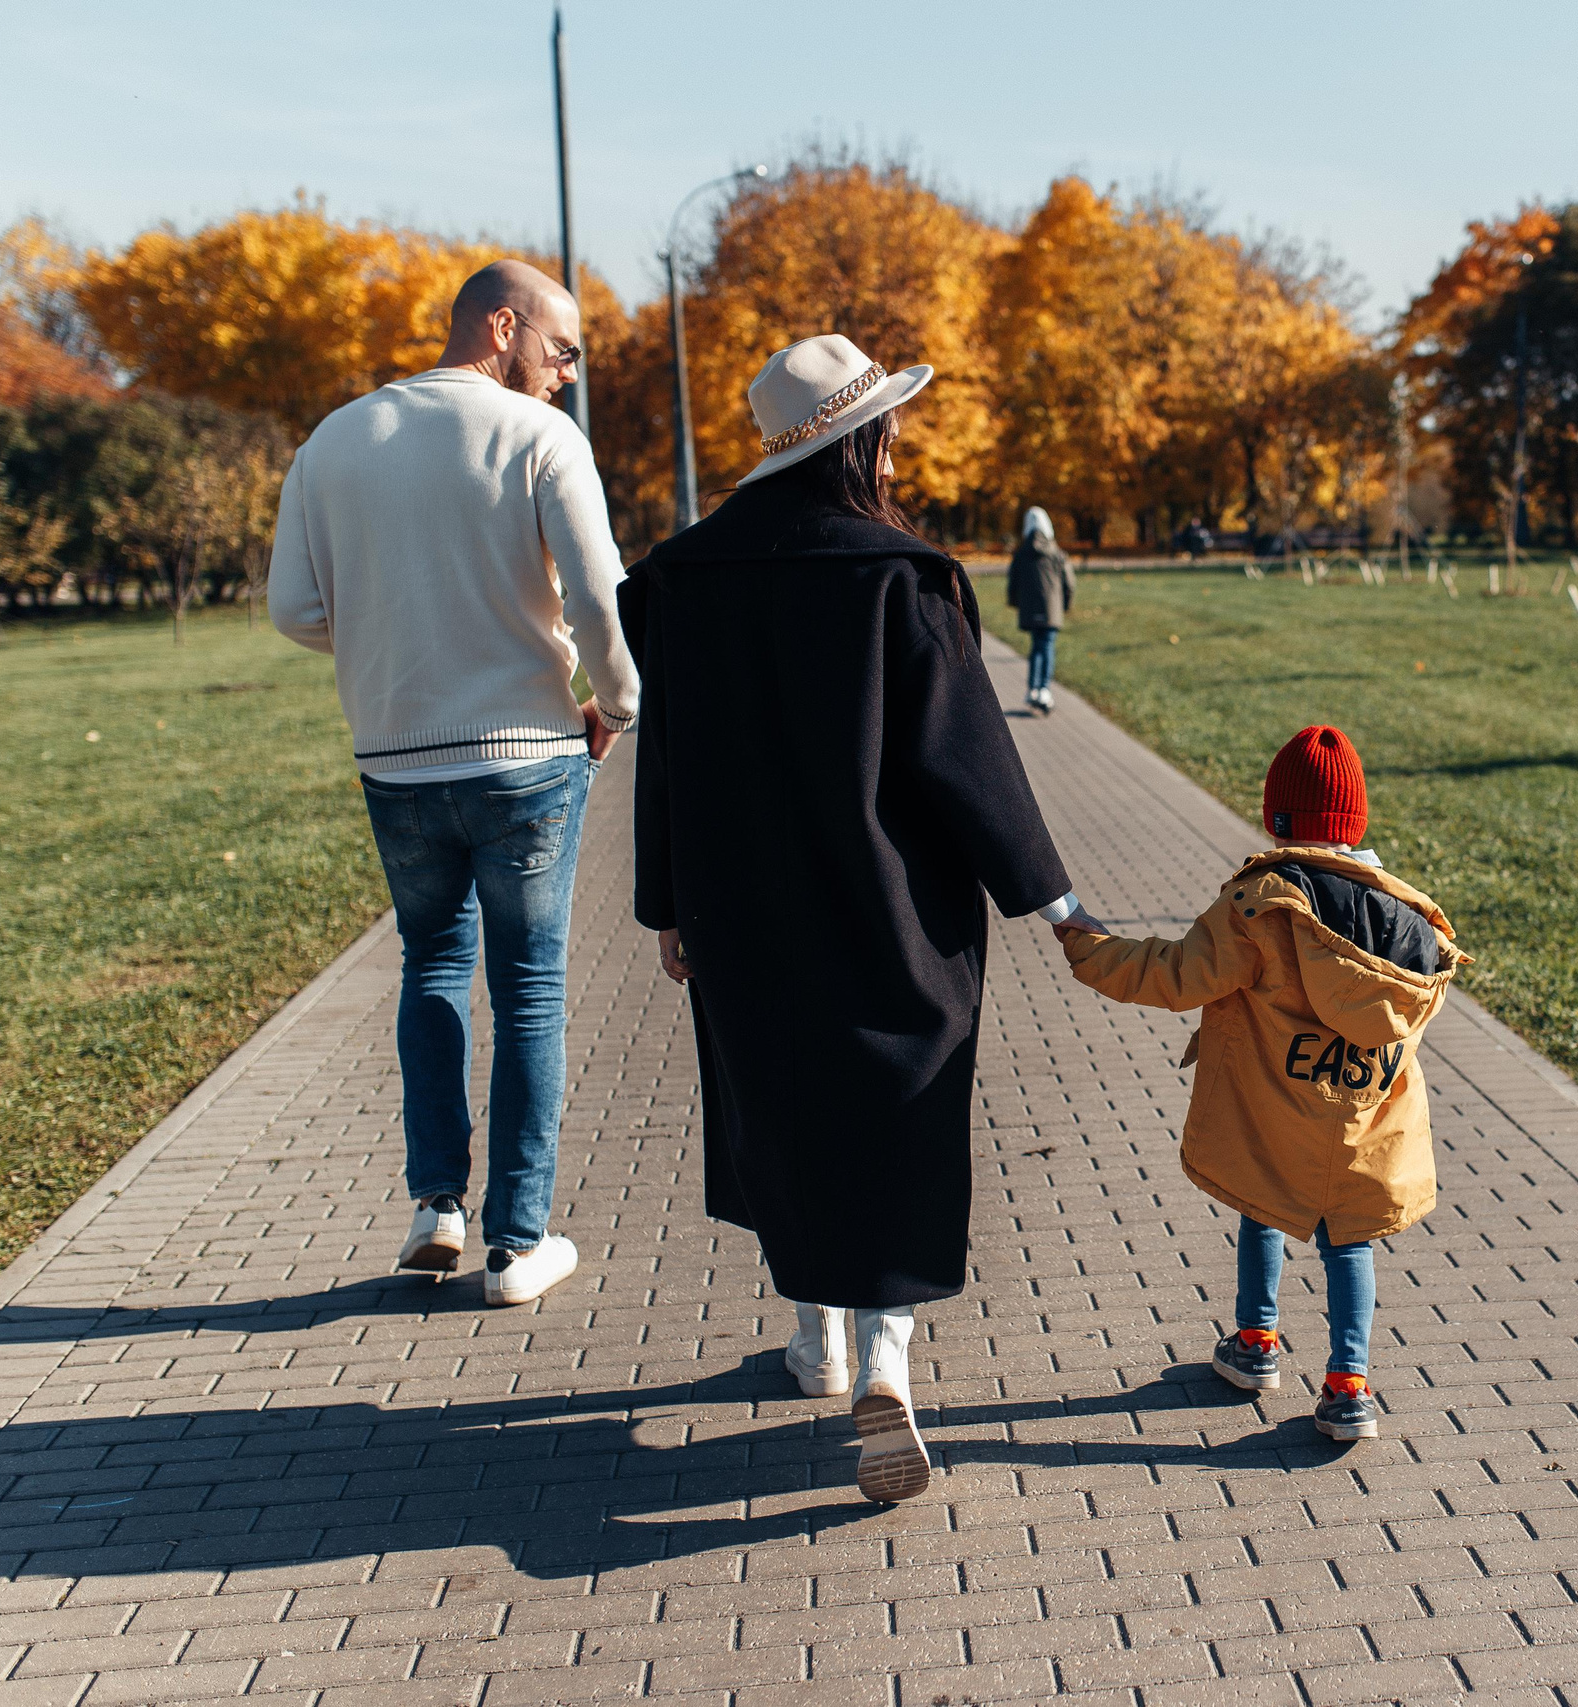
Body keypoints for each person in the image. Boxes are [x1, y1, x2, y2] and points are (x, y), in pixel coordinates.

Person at [622, 334, 1093, 1502]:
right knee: (897, 1113)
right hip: (895, 904)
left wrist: (664, 905)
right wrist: (1053, 900)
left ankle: (814, 1340)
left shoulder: (684, 575)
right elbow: (964, 759)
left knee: (782, 1107)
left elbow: (665, 758)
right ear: (861, 439)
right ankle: (886, 1357)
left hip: (739, 903)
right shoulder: (898, 574)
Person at [269, 259, 636, 1309]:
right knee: (528, 988)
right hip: (526, 753)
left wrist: (393, 633)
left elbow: (295, 610)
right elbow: (601, 599)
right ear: (504, 327)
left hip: (397, 756)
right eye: (563, 349)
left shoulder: (333, 440)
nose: (569, 373)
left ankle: (436, 1206)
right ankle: (518, 1243)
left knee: (430, 963)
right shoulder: (538, 438)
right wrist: (616, 705)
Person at [1054, 726, 1465, 1440]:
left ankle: (1256, 1344)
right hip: (1365, 1123)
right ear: (1356, 823)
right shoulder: (1411, 925)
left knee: (1262, 1206)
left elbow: (1173, 974)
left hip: (1276, 1112)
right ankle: (1349, 1385)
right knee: (1350, 1243)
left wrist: (1088, 945)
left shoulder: (1262, 908)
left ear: (1277, 819)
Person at [1004, 506, 1075, 713]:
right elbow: (1069, 583)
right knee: (1047, 646)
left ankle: (1033, 689)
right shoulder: (1057, 553)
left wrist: (1015, 602)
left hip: (1030, 608)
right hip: (1052, 609)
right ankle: (1044, 688)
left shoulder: (1021, 554)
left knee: (1036, 646)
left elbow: (1013, 582)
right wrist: (1065, 605)